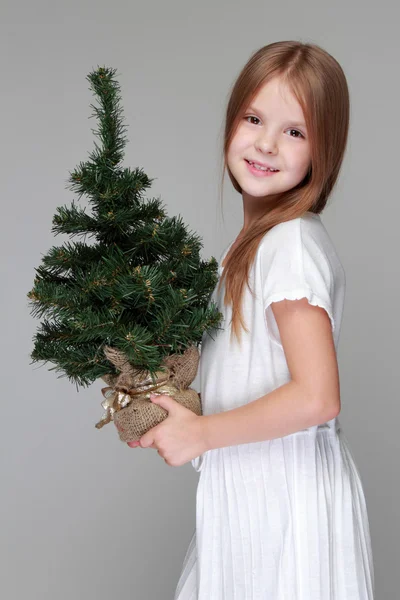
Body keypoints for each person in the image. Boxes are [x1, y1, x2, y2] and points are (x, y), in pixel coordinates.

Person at [130, 40, 375, 599]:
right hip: (256, 494)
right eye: (254, 118)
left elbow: (318, 397)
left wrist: (200, 434)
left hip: (282, 500)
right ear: (231, 121)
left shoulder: (289, 243)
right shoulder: (255, 245)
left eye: (295, 131)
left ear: (323, 150)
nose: (266, 142)